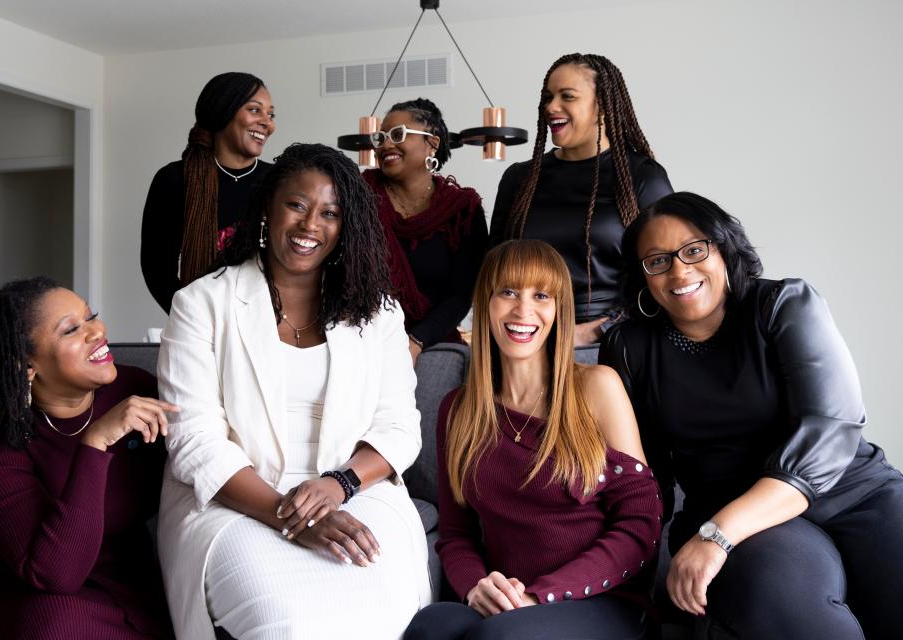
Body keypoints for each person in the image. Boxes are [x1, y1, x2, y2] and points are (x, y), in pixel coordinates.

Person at [157, 143, 431, 639]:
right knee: (286, 623)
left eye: (330, 213)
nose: (310, 226)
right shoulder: (201, 303)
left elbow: (398, 427)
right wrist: (292, 518)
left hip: (353, 489)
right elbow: (194, 442)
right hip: (235, 499)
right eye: (297, 205)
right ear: (268, 207)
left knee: (385, 614)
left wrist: (338, 485)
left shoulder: (380, 313)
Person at [600, 192, 903, 639]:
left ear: (723, 246)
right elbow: (645, 475)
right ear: (643, 277)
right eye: (657, 260)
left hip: (853, 495)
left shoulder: (783, 304)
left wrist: (716, 535)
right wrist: (634, 571)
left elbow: (830, 427)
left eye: (694, 249)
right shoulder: (628, 348)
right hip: (736, 517)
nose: (679, 271)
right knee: (790, 604)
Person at [405, 240, 662, 640]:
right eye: (508, 292)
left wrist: (539, 598)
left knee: (502, 638)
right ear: (485, 303)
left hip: (601, 601)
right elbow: (457, 535)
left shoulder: (596, 387)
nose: (523, 310)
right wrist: (477, 587)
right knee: (431, 626)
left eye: (541, 295)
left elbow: (640, 523)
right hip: (507, 600)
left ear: (559, 309)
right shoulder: (458, 409)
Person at [0, 277, 177, 639]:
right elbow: (55, 574)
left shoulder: (138, 392)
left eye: (91, 316)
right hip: (25, 594)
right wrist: (95, 442)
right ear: (28, 366)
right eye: (71, 330)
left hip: (128, 585)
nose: (97, 331)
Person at [490, 53, 673, 362]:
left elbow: (667, 269)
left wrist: (595, 331)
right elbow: (492, 267)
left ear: (602, 105)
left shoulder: (641, 177)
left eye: (567, 96)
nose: (551, 107)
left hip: (609, 344)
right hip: (524, 342)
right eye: (548, 97)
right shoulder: (519, 178)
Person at [362, 98, 487, 362]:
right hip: (362, 337)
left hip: (431, 341)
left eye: (397, 135)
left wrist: (415, 342)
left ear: (432, 142)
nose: (385, 144)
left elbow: (462, 294)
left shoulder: (463, 210)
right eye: (381, 137)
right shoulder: (358, 196)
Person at [141, 71, 275, 313]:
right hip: (200, 319)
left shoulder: (279, 181)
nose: (268, 123)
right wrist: (190, 318)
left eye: (271, 114)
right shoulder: (174, 180)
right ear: (223, 111)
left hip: (269, 320)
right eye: (255, 110)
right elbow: (157, 269)